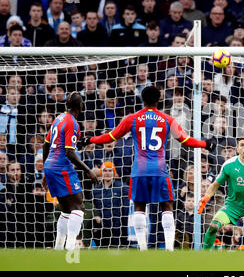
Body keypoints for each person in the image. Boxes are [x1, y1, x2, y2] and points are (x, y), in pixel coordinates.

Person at [79, 86, 216, 251]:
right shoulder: (167, 119)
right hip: (160, 170)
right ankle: (170, 248)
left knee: (139, 207)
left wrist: (90, 139)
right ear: (159, 99)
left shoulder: (132, 118)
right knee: (167, 207)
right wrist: (205, 144)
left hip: (139, 171)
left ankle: (142, 247)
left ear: (142, 100)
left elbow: (111, 136)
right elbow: (185, 140)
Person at [42, 92, 99, 251]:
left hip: (51, 166)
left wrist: (46, 171)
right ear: (80, 106)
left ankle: (58, 248)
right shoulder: (73, 123)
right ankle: (70, 247)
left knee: (66, 210)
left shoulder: (58, 118)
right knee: (79, 207)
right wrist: (88, 170)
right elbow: (68, 152)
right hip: (62, 167)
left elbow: (46, 145)